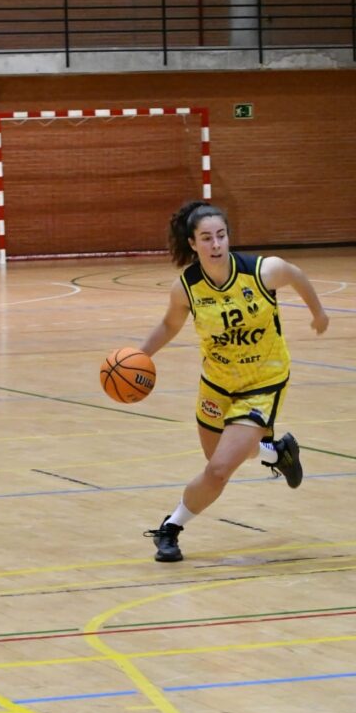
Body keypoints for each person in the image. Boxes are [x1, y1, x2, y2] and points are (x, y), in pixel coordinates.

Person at [139, 200, 330, 562]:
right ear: (193, 244)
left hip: (263, 381)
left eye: (221, 236)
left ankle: (170, 528)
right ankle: (278, 452)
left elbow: (297, 274)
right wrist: (141, 355)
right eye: (206, 238)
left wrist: (318, 312)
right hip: (216, 383)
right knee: (218, 459)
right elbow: (168, 325)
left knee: (219, 469)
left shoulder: (262, 271)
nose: (216, 245)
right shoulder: (187, 288)